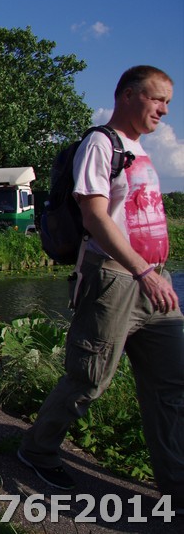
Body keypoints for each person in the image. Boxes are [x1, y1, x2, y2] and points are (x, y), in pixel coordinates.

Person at [18, 66, 182, 510]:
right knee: (88, 378)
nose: (165, 110)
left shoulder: (139, 150)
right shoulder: (100, 144)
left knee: (172, 387)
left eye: (168, 102)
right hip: (116, 278)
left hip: (157, 282)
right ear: (128, 95)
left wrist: (154, 273)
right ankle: (38, 449)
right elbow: (94, 216)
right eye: (157, 99)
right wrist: (142, 271)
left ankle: (177, 485)